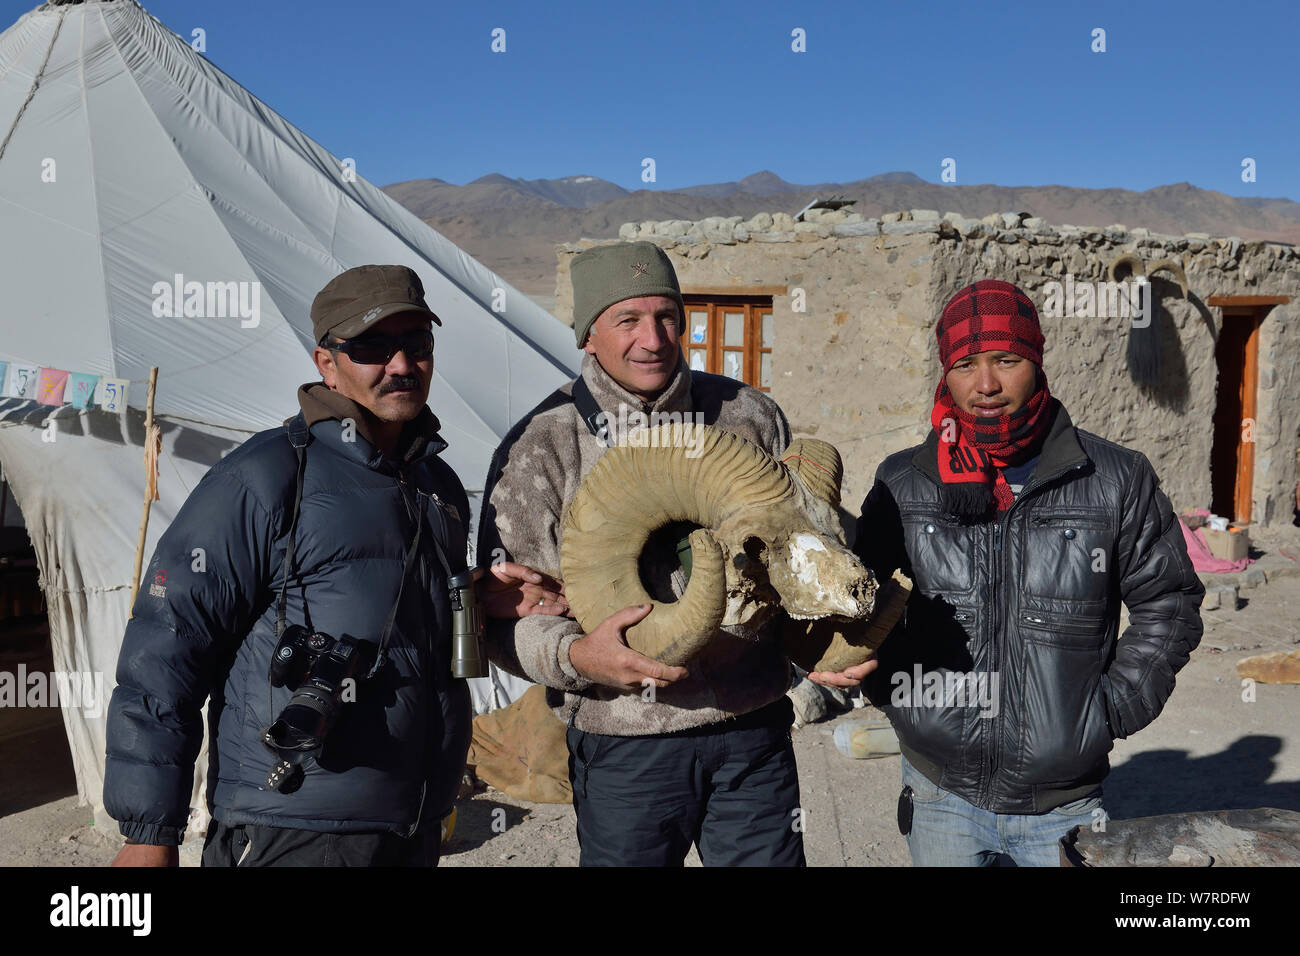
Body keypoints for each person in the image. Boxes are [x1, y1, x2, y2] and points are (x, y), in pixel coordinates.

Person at [104, 264, 564, 867]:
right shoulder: (264, 478)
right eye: (373, 346)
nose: (401, 365)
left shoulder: (437, 484)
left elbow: (394, 618)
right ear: (327, 362)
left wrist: (474, 600)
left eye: (417, 345)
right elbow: (165, 652)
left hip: (414, 823)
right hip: (293, 826)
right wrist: (148, 834)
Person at [812, 279, 1204, 866]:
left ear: (1036, 362)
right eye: (966, 364)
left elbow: (1169, 600)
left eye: (1006, 360)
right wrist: (883, 685)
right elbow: (859, 596)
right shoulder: (905, 483)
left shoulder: (1115, 478)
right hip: (938, 790)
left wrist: (1110, 710)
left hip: (1063, 805)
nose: (986, 384)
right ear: (947, 373)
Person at [479, 241, 806, 866]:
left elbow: (796, 557)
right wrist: (577, 657)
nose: (652, 339)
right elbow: (503, 622)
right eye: (627, 320)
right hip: (627, 741)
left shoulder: (747, 417)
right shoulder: (542, 448)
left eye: (666, 317)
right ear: (588, 335)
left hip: (752, 730)